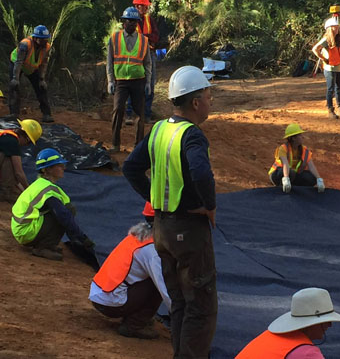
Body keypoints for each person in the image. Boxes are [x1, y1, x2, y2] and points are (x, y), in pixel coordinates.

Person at [123, 65, 217, 358]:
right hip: (188, 231)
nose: (210, 101)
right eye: (208, 95)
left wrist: (153, 198)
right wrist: (210, 206)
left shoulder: (159, 129)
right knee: (200, 307)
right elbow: (201, 173)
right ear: (195, 102)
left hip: (162, 230)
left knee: (179, 303)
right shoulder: (192, 135)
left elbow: (131, 168)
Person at [89, 201, 171, 340]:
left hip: (102, 294)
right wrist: (185, 317)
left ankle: (136, 315)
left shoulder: (139, 235)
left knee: (149, 277)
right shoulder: (152, 250)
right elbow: (166, 290)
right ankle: (134, 325)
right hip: (111, 303)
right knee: (157, 282)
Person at [11, 148, 94, 261]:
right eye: (59, 166)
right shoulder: (47, 190)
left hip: (22, 229)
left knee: (65, 211)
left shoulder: (41, 184)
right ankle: (43, 247)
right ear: (48, 169)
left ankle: (46, 244)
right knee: (66, 212)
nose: (63, 168)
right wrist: (82, 239)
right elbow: (64, 215)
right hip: (26, 232)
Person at [235, 287, 340, 358]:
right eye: (326, 321)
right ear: (313, 323)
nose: (330, 325)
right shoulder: (306, 354)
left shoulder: (269, 338)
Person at [106, 6, 152, 152]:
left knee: (140, 114)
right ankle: (115, 144)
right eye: (129, 21)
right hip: (121, 82)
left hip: (139, 81)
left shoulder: (144, 41)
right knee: (118, 110)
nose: (131, 24)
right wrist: (110, 81)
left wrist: (149, 82)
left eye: (134, 22)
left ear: (138, 23)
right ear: (123, 22)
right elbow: (109, 61)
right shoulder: (114, 38)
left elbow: (148, 63)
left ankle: (138, 146)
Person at [126, 0, 160, 125]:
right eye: (143, 6)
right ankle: (129, 114)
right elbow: (130, 37)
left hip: (149, 55)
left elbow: (155, 37)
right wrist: (147, 38)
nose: (145, 9)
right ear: (137, 6)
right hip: (135, 56)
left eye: (146, 6)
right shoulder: (130, 20)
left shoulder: (149, 20)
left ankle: (146, 115)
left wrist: (144, 37)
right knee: (133, 84)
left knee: (150, 85)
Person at [8, 25, 54, 123]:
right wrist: (15, 78)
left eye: (46, 39)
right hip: (17, 65)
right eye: (42, 39)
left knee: (41, 88)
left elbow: (44, 63)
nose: (44, 41)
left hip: (32, 67)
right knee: (14, 87)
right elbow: (19, 62)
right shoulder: (25, 44)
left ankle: (47, 114)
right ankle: (14, 114)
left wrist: (42, 79)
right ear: (35, 38)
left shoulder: (46, 47)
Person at [268, 123, 325, 194]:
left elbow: (311, 166)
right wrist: (286, 178)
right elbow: (285, 164)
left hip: (293, 174)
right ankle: (282, 188)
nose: (302, 137)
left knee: (311, 178)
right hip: (278, 174)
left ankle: (292, 188)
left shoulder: (304, 150)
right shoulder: (283, 148)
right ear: (293, 138)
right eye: (300, 135)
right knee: (291, 173)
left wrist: (318, 179)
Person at [312, 17, 340, 119]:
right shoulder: (326, 40)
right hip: (329, 69)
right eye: (335, 27)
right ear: (329, 28)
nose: (337, 29)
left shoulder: (339, 39)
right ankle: (330, 110)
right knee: (331, 89)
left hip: (339, 68)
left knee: (339, 89)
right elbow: (315, 49)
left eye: (337, 27)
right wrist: (324, 58)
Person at [0, 119, 42, 201]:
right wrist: (29, 191)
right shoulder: (12, 142)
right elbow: (18, 173)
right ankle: (5, 191)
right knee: (9, 161)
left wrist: (22, 188)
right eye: (28, 143)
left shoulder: (6, 135)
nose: (25, 146)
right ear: (27, 138)